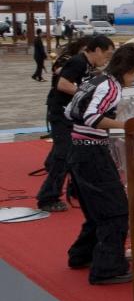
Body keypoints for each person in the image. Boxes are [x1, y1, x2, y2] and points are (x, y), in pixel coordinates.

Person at [64, 43, 134, 285]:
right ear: (129, 68)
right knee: (116, 210)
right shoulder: (111, 86)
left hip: (77, 149)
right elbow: (92, 118)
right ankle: (108, 267)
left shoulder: (96, 80)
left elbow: (70, 112)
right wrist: (127, 125)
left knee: (95, 211)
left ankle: (81, 255)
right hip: (91, 152)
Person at [37, 34, 115, 213]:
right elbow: (63, 84)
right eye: (106, 54)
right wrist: (87, 94)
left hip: (72, 114)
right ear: (96, 50)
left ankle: (77, 190)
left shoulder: (89, 65)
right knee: (62, 155)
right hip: (60, 113)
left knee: (79, 153)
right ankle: (47, 197)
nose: (107, 59)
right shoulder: (78, 62)